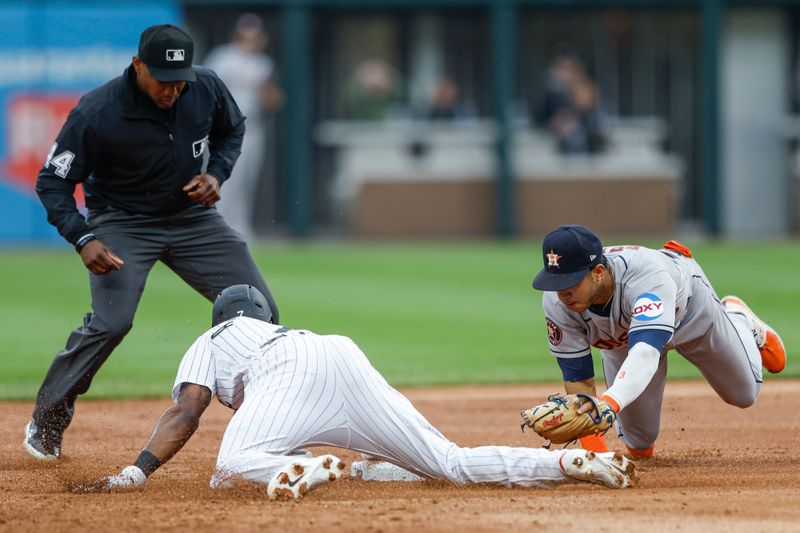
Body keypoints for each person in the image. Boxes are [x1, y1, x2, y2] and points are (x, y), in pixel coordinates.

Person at [80, 284, 637, 499]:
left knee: (231, 462)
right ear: (264, 315)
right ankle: (571, 465)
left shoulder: (215, 335)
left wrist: (137, 470)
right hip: (338, 353)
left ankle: (294, 473)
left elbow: (187, 410)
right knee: (450, 462)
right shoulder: (273, 328)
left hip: (286, 372)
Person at [24, 24, 280, 463]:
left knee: (260, 310)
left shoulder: (206, 87)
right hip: (122, 223)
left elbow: (232, 131)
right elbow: (52, 181)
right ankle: (47, 419)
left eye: (180, 81)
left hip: (191, 218)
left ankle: (271, 424)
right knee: (111, 323)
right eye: (162, 79)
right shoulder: (96, 112)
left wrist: (216, 173)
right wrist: (83, 237)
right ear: (138, 65)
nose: (173, 90)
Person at [531, 225, 787, 457]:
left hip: (690, 313)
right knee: (639, 443)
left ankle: (738, 317)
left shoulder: (646, 277)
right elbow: (579, 380)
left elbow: (645, 352)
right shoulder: (557, 302)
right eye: (555, 282)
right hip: (626, 342)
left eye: (570, 282)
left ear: (598, 272)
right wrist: (594, 456)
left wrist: (609, 403)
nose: (562, 293)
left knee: (744, 394)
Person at [204, 13, 283, 240]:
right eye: (248, 34)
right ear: (238, 34)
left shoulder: (263, 63)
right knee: (223, 178)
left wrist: (270, 95)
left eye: (256, 35)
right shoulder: (223, 57)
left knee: (246, 180)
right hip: (223, 128)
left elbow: (273, 98)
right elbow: (206, 89)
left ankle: (239, 227)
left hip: (252, 127)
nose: (253, 39)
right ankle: (216, 227)